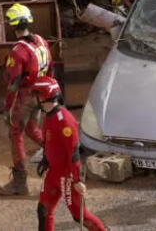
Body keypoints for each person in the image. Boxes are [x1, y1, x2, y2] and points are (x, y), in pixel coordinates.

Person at [31, 76, 109, 231]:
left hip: (67, 176)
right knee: (43, 210)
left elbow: (73, 151)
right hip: (53, 173)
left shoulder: (65, 121)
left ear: (44, 96)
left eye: (37, 95)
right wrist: (46, 159)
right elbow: (49, 142)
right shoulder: (49, 115)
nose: (36, 99)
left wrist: (76, 180)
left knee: (78, 214)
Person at [0, 3, 54, 197]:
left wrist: (7, 108)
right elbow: (51, 69)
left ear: (12, 25)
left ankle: (19, 184)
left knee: (16, 133)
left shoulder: (18, 51)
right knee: (32, 129)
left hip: (26, 96)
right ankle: (60, 156)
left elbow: (13, 83)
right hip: (41, 92)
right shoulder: (42, 41)